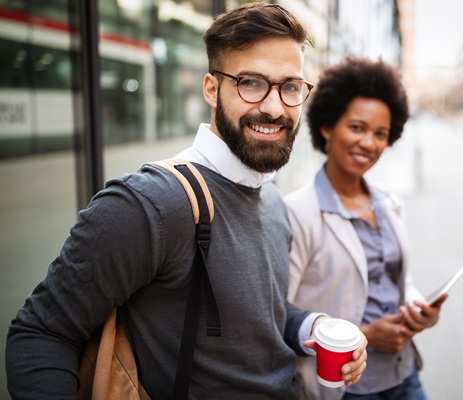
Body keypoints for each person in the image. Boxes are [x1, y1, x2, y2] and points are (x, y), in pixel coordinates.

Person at [5, 3, 367, 399]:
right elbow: (42, 331)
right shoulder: (149, 203)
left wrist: (311, 327)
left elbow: (259, 318)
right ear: (212, 89)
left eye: (290, 87)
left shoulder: (271, 198)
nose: (274, 106)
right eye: (251, 83)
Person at [285, 57, 446, 400]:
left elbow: (399, 282)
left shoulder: (388, 203)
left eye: (380, 134)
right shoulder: (298, 212)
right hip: (347, 387)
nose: (369, 143)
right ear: (327, 126)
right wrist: (365, 335)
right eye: (357, 127)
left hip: (404, 374)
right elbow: (281, 316)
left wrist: (420, 310)